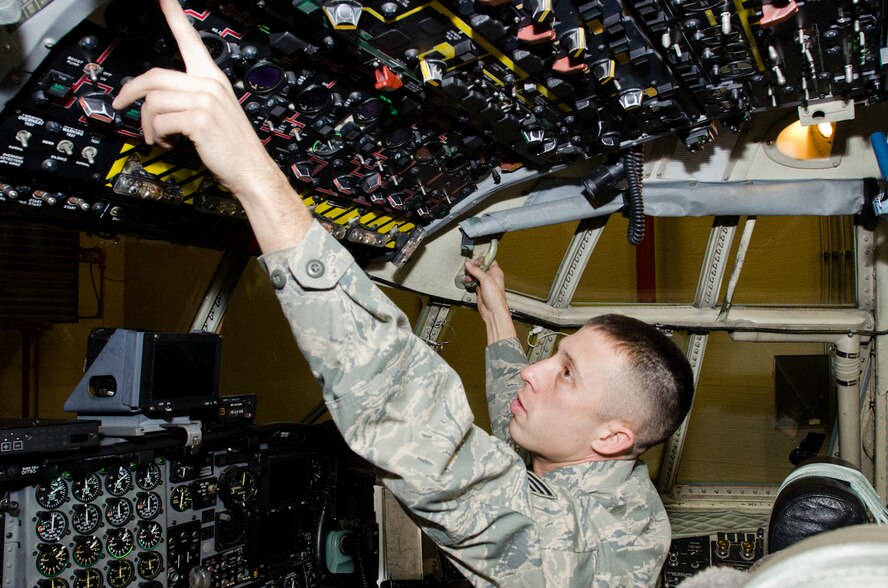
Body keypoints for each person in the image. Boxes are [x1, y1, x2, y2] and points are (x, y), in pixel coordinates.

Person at [113, 1, 695, 585]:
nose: (532, 374)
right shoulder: (607, 486)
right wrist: (496, 317)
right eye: (554, 357)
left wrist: (253, 176)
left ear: (614, 437)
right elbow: (517, 423)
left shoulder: (587, 549)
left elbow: (417, 429)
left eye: (566, 373)